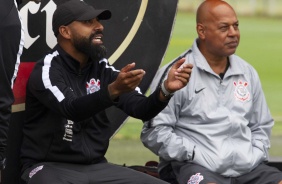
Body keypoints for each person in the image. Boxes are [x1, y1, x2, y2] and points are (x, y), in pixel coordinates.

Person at [19, 0, 193, 183]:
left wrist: (165, 91)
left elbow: (142, 109)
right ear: (65, 32)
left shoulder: (102, 68)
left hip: (97, 168)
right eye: (88, 22)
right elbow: (71, 109)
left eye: (98, 21)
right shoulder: (48, 70)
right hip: (49, 167)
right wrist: (111, 91)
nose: (99, 27)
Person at [141, 0, 282, 184]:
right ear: (202, 31)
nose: (233, 33)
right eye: (224, 28)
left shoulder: (247, 72)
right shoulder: (177, 73)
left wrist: (254, 154)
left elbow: (261, 125)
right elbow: (154, 131)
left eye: (236, 26)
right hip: (194, 166)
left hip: (246, 167)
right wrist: (192, 153)